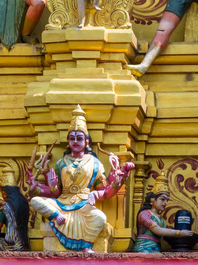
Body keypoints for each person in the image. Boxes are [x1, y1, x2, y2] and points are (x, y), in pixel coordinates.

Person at [27, 105, 134, 252]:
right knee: (35, 201)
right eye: (72, 138)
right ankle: (57, 216)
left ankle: (86, 246)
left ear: (87, 141)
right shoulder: (61, 163)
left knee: (100, 218)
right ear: (68, 141)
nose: (75, 142)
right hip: (61, 204)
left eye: (79, 138)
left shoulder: (95, 163)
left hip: (84, 205)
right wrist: (48, 187)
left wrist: (105, 189)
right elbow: (56, 193)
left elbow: (104, 192)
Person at [133, 172, 193, 253]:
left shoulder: (161, 218)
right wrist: (180, 233)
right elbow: (158, 231)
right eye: (162, 199)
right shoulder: (144, 214)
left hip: (156, 248)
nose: (165, 203)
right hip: (143, 248)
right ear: (152, 200)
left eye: (167, 200)